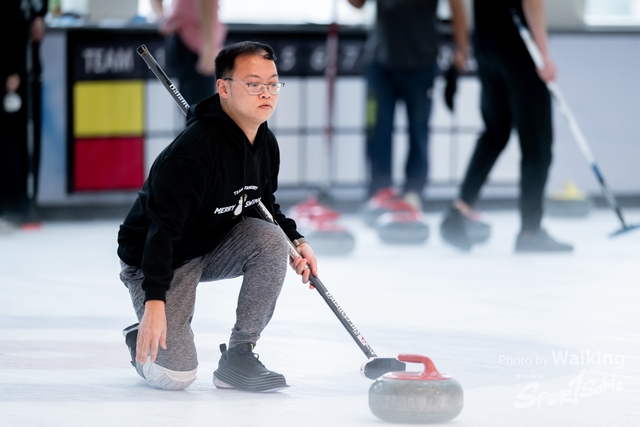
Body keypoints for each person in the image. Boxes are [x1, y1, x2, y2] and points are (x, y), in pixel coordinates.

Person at [117, 41, 318, 392]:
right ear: (223, 88)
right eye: (253, 84)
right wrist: (154, 301)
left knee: (272, 240)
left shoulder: (265, 143)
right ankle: (141, 341)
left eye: (273, 84)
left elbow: (262, 204)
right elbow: (161, 230)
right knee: (175, 377)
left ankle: (240, 355)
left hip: (212, 241)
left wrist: (296, 241)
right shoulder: (193, 152)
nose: (266, 93)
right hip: (161, 256)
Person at [440, 0, 573, 252]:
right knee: (537, 144)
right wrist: (544, 53)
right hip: (519, 47)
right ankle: (531, 231)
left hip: (486, 45)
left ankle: (459, 210)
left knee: (495, 133)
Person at [348, 0, 469, 211]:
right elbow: (357, 4)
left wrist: (461, 48)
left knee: (418, 132)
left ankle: (413, 194)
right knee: (377, 132)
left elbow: (456, 4)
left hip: (421, 62)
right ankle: (380, 192)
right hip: (380, 61)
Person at [0, 0, 47, 226]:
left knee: (25, 138)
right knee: (8, 138)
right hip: (11, 67)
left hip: (27, 67)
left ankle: (22, 204)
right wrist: (10, 68)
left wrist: (40, 15)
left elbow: (36, 8)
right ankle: (8, 206)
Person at [150, 0, 227, 107]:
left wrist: (162, 17)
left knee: (189, 106)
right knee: (200, 108)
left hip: (180, 38)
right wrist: (209, 45)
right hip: (196, 43)